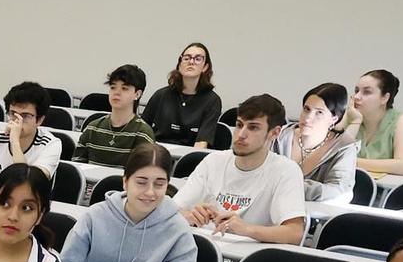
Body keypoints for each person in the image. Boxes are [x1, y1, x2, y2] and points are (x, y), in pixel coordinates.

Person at [60, 142, 196, 262]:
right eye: (141, 182)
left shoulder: (179, 231)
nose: (150, 192)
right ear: (125, 182)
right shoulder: (94, 216)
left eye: (159, 184)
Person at [172, 94, 307, 244]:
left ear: (274, 133)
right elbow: (172, 210)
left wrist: (247, 229)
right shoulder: (214, 161)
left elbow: (295, 233)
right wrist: (187, 216)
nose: (241, 134)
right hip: (202, 248)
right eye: (239, 125)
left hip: (251, 259)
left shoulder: (286, 171)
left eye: (253, 127)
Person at [273, 83, 358, 202]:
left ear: (334, 119)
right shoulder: (280, 136)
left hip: (314, 215)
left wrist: (290, 188)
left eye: (319, 112)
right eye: (306, 109)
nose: (307, 118)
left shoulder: (344, 147)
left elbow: (338, 189)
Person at [74, 65, 155, 168]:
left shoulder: (143, 134)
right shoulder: (92, 128)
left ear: (137, 94)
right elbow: (77, 167)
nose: (116, 92)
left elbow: (142, 174)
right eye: (113, 87)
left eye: (124, 88)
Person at [142, 43, 221, 148]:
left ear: (205, 67)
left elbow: (202, 143)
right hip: (156, 153)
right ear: (179, 65)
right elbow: (141, 132)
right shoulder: (161, 95)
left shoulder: (212, 101)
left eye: (197, 59)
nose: (191, 62)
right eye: (186, 58)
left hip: (188, 158)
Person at [346, 69, 403, 177]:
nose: (356, 97)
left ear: (385, 98)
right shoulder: (350, 116)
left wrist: (351, 162)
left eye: (366, 92)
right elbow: (329, 156)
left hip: (389, 191)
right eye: (356, 91)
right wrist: (354, 121)